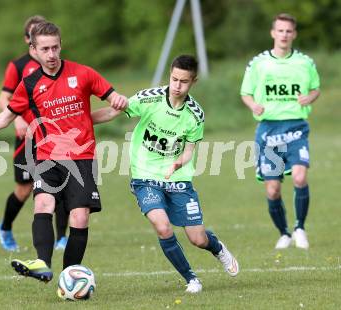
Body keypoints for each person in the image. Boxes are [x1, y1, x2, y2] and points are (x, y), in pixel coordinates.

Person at [0, 21, 128, 282]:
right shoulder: (29, 84)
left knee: (80, 217)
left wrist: (119, 102)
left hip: (81, 157)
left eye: (55, 48)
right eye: (45, 49)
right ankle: (42, 263)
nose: (51, 55)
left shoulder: (83, 73)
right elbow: (3, 118)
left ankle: (69, 276)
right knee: (42, 202)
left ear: (61, 45)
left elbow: (114, 103)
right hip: (47, 157)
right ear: (34, 49)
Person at [91, 55, 239, 294]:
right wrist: (79, 121)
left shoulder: (195, 115)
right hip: (145, 177)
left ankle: (218, 248)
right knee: (162, 227)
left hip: (178, 179)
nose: (177, 86)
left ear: (193, 82)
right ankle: (191, 279)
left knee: (198, 238)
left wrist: (178, 163)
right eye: (174, 79)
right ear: (169, 75)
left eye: (184, 81)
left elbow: (189, 151)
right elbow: (111, 113)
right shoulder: (149, 98)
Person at [240, 13, 320, 250]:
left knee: (299, 177)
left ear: (294, 34)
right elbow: (246, 92)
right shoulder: (258, 63)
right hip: (269, 131)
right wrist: (253, 104)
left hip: (296, 127)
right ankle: (284, 233)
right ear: (273, 33)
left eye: (288, 31)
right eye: (280, 30)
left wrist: (310, 97)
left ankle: (300, 229)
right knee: (273, 189)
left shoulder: (305, 62)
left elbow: (315, 89)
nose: (284, 35)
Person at [0, 15, 69, 252]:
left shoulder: (57, 63)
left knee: (61, 186)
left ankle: (61, 238)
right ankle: (5, 227)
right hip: (27, 139)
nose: (48, 51)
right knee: (24, 190)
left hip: (53, 138)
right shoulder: (18, 66)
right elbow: (4, 98)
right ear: (29, 40)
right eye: (32, 35)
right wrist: (17, 118)